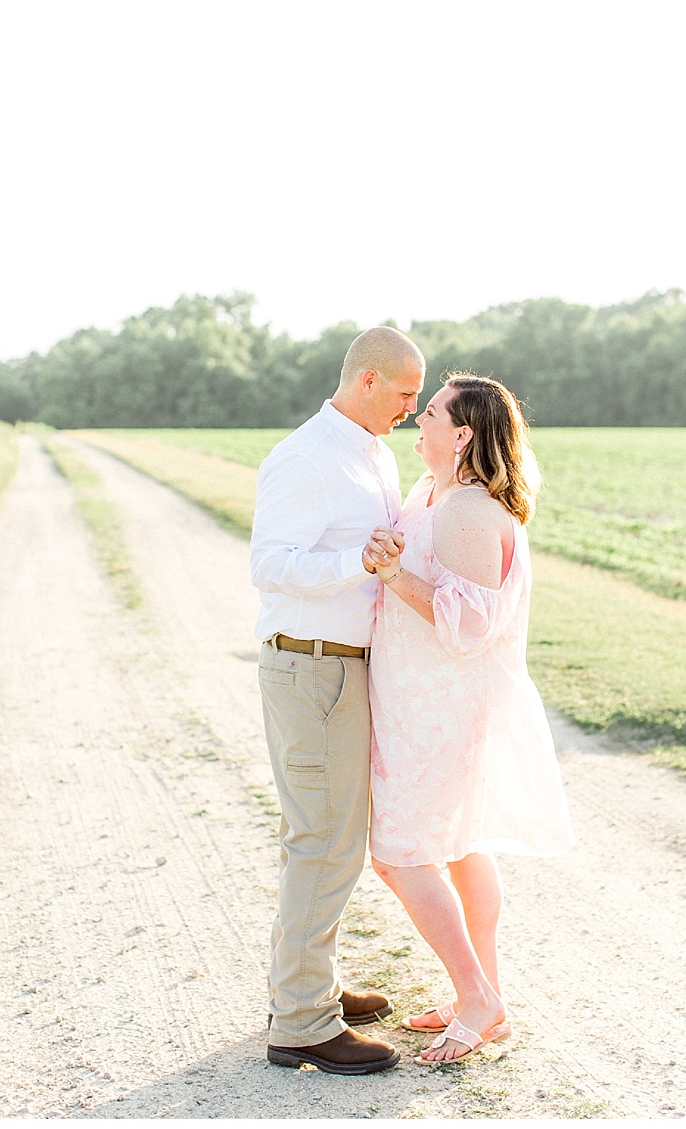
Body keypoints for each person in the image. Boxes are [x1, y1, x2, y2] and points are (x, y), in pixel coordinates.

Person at [360, 372, 575, 1065]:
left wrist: (393, 576)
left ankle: (478, 996)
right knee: (456, 846)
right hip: (417, 699)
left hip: (445, 708)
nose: (416, 421)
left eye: (430, 413)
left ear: (461, 434)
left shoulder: (471, 512)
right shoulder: (432, 495)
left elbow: (468, 625)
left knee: (398, 854)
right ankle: (485, 1001)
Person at [250, 325, 425, 1076]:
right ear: (367, 384)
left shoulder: (372, 452)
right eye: (405, 396)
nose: (413, 412)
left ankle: (311, 985)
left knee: (336, 835)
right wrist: (356, 562)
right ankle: (299, 1023)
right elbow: (270, 565)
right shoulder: (304, 458)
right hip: (311, 667)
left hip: (347, 668)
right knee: (321, 841)